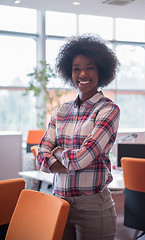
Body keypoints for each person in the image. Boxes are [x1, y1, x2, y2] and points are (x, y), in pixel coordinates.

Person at [37, 34, 120, 240]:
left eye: (90, 67)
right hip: (59, 202)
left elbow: (82, 158)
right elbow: (41, 158)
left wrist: (57, 152)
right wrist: (70, 160)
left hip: (93, 206)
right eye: (76, 68)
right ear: (69, 72)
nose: (82, 73)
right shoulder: (61, 111)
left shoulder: (108, 110)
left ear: (101, 70)